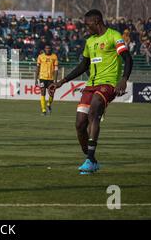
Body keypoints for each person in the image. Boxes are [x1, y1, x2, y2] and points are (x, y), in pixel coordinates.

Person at [48, 9, 133, 174]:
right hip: (91, 84)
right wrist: (61, 82)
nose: (86, 29)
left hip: (108, 84)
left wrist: (123, 79)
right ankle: (91, 158)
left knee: (94, 111)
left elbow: (128, 58)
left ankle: (89, 159)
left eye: (88, 25)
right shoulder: (90, 41)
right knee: (80, 124)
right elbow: (83, 66)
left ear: (96, 21)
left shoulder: (114, 36)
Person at [35, 44, 59, 115]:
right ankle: (43, 110)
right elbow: (37, 68)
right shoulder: (40, 56)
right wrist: (36, 79)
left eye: (49, 48)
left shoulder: (54, 56)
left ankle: (49, 104)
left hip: (51, 78)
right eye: (46, 48)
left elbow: (56, 69)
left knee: (51, 93)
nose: (48, 49)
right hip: (42, 77)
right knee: (43, 92)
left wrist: (55, 80)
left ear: (51, 49)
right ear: (44, 49)